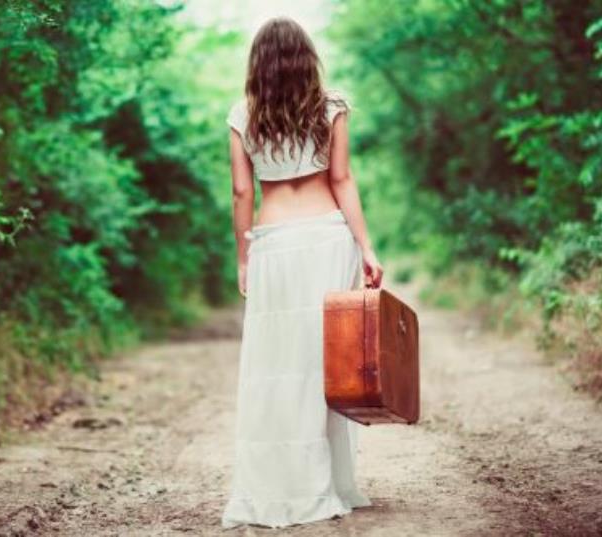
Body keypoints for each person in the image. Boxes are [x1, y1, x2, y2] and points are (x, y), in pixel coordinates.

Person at [220, 16, 384, 530]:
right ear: (306, 57)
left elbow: (242, 193)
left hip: (274, 245)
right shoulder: (330, 105)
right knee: (325, 362)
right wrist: (366, 247)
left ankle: (281, 483)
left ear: (258, 62)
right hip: (327, 238)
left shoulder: (242, 113)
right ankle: (329, 482)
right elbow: (342, 178)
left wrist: (242, 255)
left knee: (277, 364)